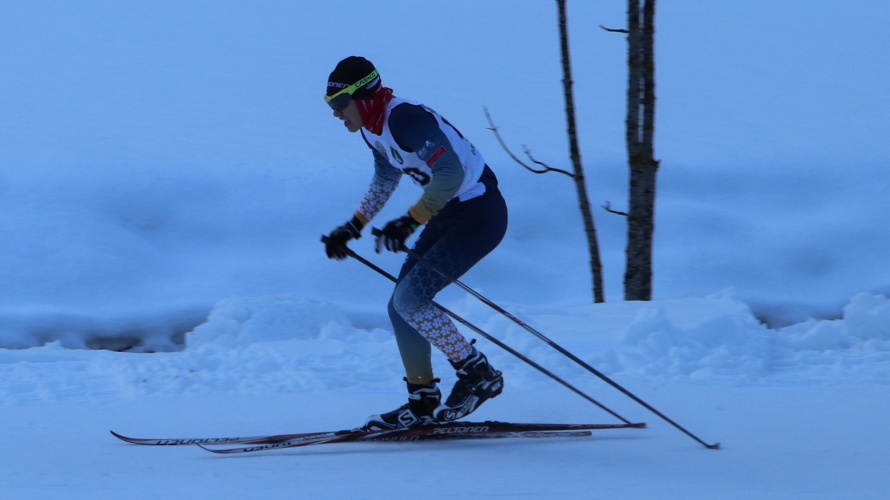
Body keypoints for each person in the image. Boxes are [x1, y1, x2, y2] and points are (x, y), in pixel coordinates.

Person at [322, 56, 508, 430]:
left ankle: (479, 375)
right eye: (331, 107)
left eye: (339, 104)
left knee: (411, 300)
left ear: (363, 97)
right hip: (446, 215)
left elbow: (451, 174)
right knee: (399, 306)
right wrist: (353, 226)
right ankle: (422, 400)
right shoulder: (372, 129)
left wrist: (409, 221)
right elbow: (385, 179)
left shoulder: (405, 119)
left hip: (479, 215)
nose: (336, 114)